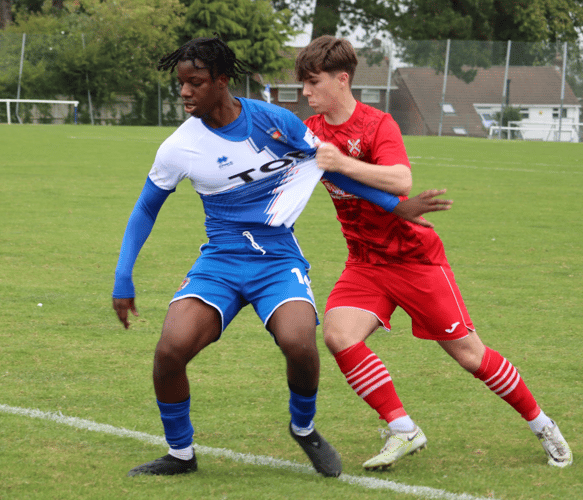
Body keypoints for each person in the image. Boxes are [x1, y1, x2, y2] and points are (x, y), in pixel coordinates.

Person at [111, 36, 450, 478]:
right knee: (170, 351)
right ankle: (180, 454)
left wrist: (395, 205)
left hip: (276, 261)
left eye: (195, 83)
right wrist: (123, 277)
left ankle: (304, 428)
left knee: (300, 344)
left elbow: (325, 165)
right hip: (220, 263)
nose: (184, 92)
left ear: (221, 81)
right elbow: (145, 209)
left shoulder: (274, 121)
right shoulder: (179, 147)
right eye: (181, 84)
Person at [296, 35, 573, 470]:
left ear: (342, 79)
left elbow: (400, 179)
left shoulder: (377, 124)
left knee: (470, 356)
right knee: (338, 334)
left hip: (415, 260)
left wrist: (343, 164)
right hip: (365, 262)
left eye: (313, 83)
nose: (306, 93)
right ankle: (403, 428)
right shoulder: (311, 132)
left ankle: (542, 424)